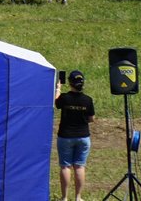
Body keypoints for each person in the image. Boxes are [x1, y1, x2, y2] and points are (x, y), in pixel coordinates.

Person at [53, 70, 94, 201]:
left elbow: (56, 102)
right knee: (79, 166)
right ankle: (78, 197)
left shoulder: (64, 98)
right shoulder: (88, 100)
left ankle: (64, 197)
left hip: (65, 136)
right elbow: (91, 118)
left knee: (65, 166)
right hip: (83, 136)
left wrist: (58, 88)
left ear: (70, 83)